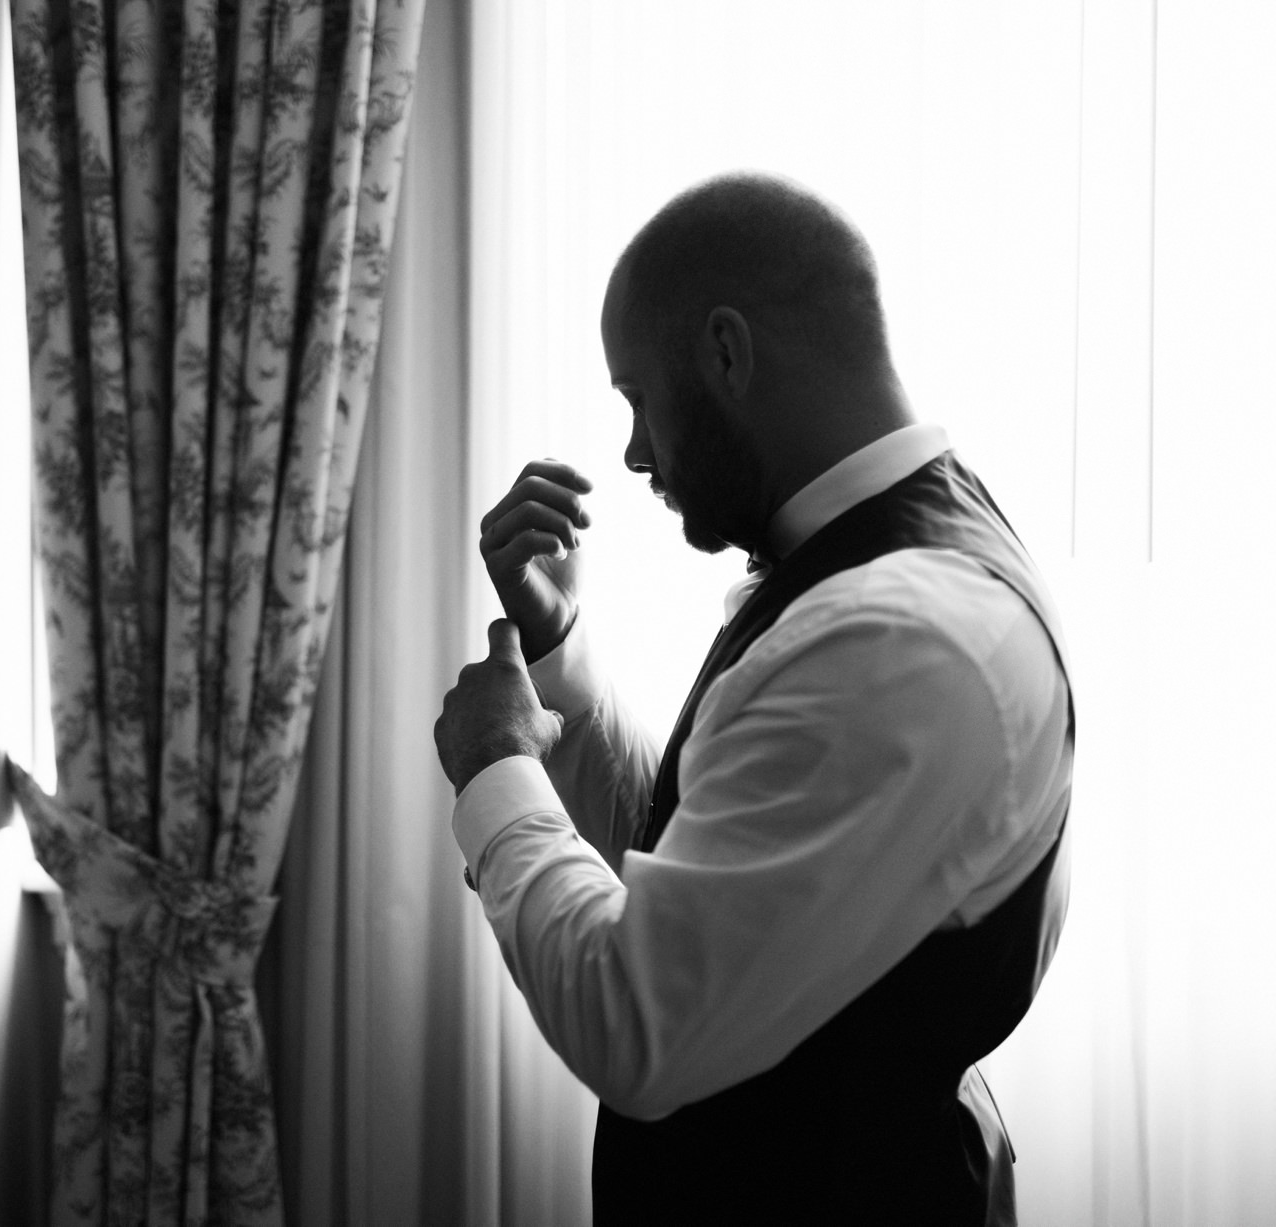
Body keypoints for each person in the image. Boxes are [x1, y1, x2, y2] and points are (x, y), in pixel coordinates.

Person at [433, 172, 1075, 1226]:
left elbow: (636, 1026)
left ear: (725, 353)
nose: (635, 451)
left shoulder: (893, 632)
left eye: (637, 398)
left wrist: (496, 769)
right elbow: (710, 867)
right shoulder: (871, 562)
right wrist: (554, 654)